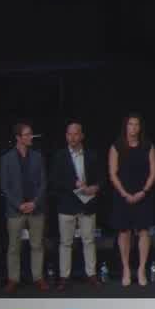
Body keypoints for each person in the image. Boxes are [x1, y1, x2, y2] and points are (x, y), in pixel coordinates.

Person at [49, 120, 103, 291]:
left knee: (89, 240)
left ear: (82, 136)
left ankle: (91, 274)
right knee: (65, 242)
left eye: (76, 134)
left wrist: (95, 187)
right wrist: (74, 184)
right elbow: (54, 180)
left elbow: (101, 178)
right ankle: (64, 277)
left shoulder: (92, 155)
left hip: (87, 204)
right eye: (69, 134)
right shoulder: (59, 156)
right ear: (66, 136)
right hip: (67, 205)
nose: (72, 137)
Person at [108, 114, 155, 288]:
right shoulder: (117, 146)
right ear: (126, 126)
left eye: (137, 124)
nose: (134, 128)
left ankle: (141, 270)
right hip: (123, 194)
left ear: (140, 127)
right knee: (124, 232)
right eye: (130, 124)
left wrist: (143, 191)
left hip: (143, 194)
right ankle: (126, 269)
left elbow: (153, 172)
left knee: (143, 231)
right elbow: (112, 173)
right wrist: (124, 193)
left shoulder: (148, 146)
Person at [0, 121, 48, 294]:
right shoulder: (6, 159)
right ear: (18, 138)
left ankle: (38, 277)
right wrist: (18, 204)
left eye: (31, 134)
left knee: (37, 245)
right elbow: (5, 186)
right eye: (27, 134)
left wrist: (34, 202)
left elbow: (43, 183)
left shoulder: (37, 156)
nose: (30, 137)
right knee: (13, 247)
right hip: (15, 210)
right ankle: (13, 278)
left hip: (36, 207)